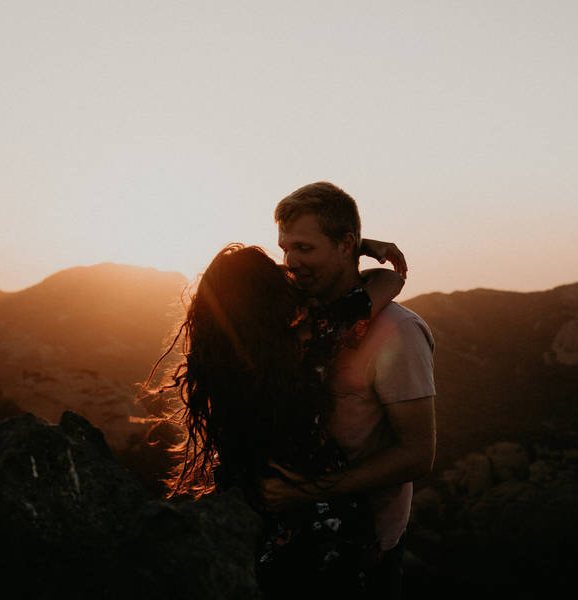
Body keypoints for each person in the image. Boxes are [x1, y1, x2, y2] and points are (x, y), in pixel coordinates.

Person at [151, 241, 407, 597]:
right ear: (270, 294)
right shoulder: (309, 341)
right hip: (328, 526)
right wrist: (352, 246)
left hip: (262, 530)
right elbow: (389, 281)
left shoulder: (216, 369)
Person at [261, 181, 437, 600]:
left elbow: (418, 454)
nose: (290, 261)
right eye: (285, 248)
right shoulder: (297, 313)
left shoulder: (399, 332)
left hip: (365, 549)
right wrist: (361, 246)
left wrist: (309, 490)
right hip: (289, 530)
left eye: (304, 248)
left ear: (343, 245)